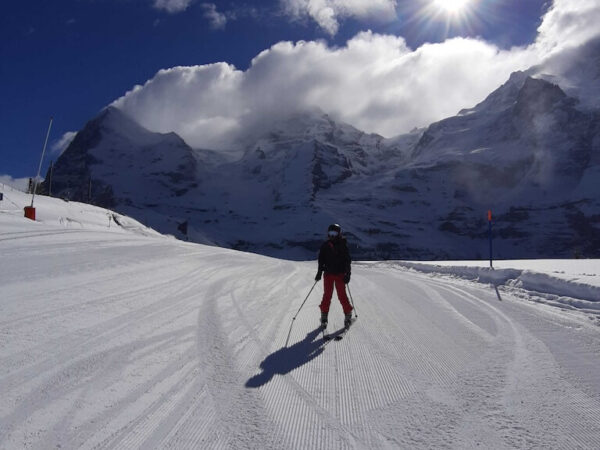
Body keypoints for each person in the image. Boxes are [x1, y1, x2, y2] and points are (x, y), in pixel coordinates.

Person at [315, 223, 353, 328]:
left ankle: (348, 314)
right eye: (330, 233)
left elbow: (347, 261)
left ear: (339, 234)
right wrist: (319, 272)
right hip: (328, 274)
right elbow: (321, 259)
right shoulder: (325, 245)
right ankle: (324, 316)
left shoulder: (343, 245)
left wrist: (348, 274)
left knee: (342, 295)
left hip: (340, 274)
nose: (332, 235)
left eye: (334, 233)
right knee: (327, 295)